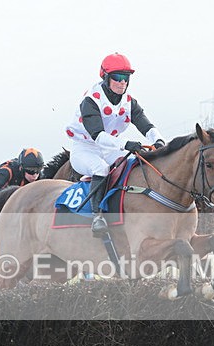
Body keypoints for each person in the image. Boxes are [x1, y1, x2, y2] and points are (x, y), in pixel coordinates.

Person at [65, 52, 165, 234]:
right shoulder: (90, 100)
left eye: (126, 78)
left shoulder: (129, 102)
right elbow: (98, 136)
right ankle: (97, 218)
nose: (122, 82)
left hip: (110, 148)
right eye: (118, 77)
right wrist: (126, 144)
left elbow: (145, 124)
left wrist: (157, 140)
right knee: (101, 169)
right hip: (85, 149)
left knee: (135, 164)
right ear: (105, 77)